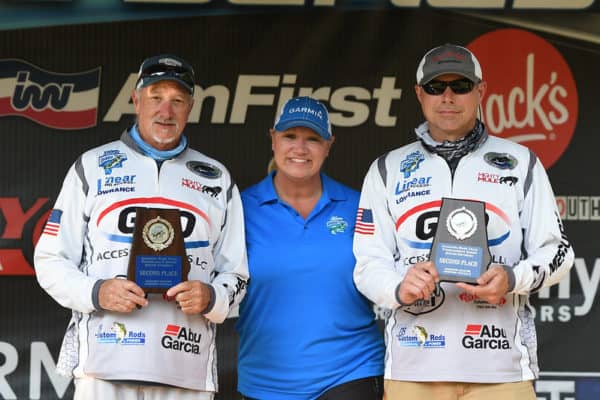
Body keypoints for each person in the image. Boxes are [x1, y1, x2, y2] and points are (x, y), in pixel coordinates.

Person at [353, 44, 574, 400]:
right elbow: (368, 264)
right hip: (414, 367)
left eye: (460, 85)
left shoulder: (521, 163)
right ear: (419, 94)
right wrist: (398, 287)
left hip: (501, 369)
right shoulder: (387, 169)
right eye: (436, 87)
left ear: (480, 91)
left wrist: (512, 278)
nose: (448, 97)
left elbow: (558, 253)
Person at [34, 54, 249, 400]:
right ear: (135, 100)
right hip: (104, 368)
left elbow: (236, 275)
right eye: (155, 97)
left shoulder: (217, 178)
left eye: (177, 100)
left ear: (191, 107)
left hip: (186, 371)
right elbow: (49, 260)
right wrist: (96, 292)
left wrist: (212, 297)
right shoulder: (92, 166)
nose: (166, 111)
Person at [236, 96, 384, 400]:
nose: (300, 148)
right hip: (265, 380)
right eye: (290, 136)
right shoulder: (239, 208)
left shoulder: (358, 205)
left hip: (351, 370)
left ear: (328, 145)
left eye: (313, 139)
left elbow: (384, 272)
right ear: (273, 139)